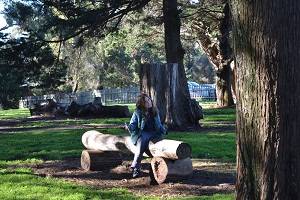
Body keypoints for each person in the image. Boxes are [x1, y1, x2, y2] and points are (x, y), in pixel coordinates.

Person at [125, 93, 167, 178]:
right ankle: (136, 168)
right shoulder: (138, 112)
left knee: (161, 147)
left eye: (149, 100)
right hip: (143, 133)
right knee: (140, 147)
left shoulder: (155, 111)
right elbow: (133, 123)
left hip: (155, 133)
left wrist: (164, 130)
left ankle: (159, 167)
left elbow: (158, 125)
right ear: (142, 104)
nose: (149, 102)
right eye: (146, 101)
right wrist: (129, 127)